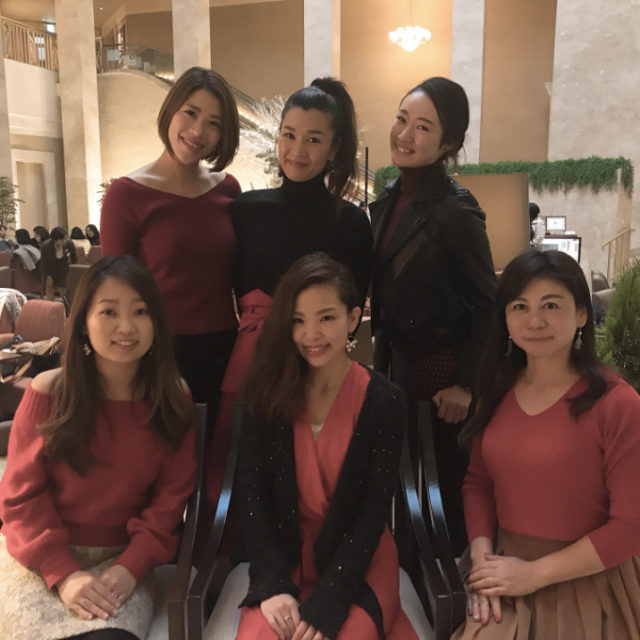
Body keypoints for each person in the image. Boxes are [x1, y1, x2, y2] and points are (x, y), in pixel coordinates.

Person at [0, 255, 196, 640]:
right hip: (40, 558)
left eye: (140, 311)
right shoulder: (49, 392)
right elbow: (21, 496)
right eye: (108, 312)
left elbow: (171, 501)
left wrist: (131, 566)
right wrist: (63, 572)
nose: (126, 326)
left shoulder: (172, 399)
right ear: (84, 322)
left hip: (122, 561)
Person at [451, 250, 640, 640]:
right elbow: (478, 485)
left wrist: (534, 575)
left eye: (551, 305)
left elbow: (631, 526)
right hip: (505, 572)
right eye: (520, 307)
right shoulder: (496, 393)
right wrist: (483, 563)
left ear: (582, 314)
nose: (534, 321)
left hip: (592, 578)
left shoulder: (618, 404)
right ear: (505, 318)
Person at [207, 77, 372, 506]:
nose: (297, 150)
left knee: (314, 487)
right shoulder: (244, 211)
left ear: (334, 149)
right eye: (289, 135)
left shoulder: (352, 223)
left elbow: (352, 313)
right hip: (251, 364)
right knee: (244, 485)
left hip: (320, 369)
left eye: (314, 139)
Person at [235, 253, 417, 640]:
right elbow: (252, 498)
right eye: (297, 320)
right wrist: (272, 584)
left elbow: (371, 516)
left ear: (353, 318)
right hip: (284, 555)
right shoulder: (265, 392)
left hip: (358, 560)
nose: (311, 334)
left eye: (326, 318)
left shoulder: (385, 402)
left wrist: (329, 601)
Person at [370, 77, 497, 554]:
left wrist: (466, 384)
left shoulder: (456, 211)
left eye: (423, 127)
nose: (405, 134)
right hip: (398, 364)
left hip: (443, 372)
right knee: (403, 477)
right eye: (401, 119)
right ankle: (407, 573)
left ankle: (448, 582)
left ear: (449, 144)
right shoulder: (387, 199)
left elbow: (488, 304)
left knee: (440, 484)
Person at [100, 66, 241, 418]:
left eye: (213, 123)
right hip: (155, 352)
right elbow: (114, 291)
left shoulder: (229, 190)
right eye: (190, 113)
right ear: (171, 110)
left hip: (223, 348)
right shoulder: (127, 194)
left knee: (216, 448)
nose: (198, 131)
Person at [40, 226, 78, 300]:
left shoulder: (69, 244)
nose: (65, 241)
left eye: (65, 238)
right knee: (49, 286)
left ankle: (66, 303)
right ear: (55, 240)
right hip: (50, 270)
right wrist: (47, 277)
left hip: (64, 269)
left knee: (64, 290)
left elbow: (74, 258)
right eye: (62, 239)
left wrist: (72, 272)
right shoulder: (46, 246)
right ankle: (50, 304)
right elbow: (44, 264)